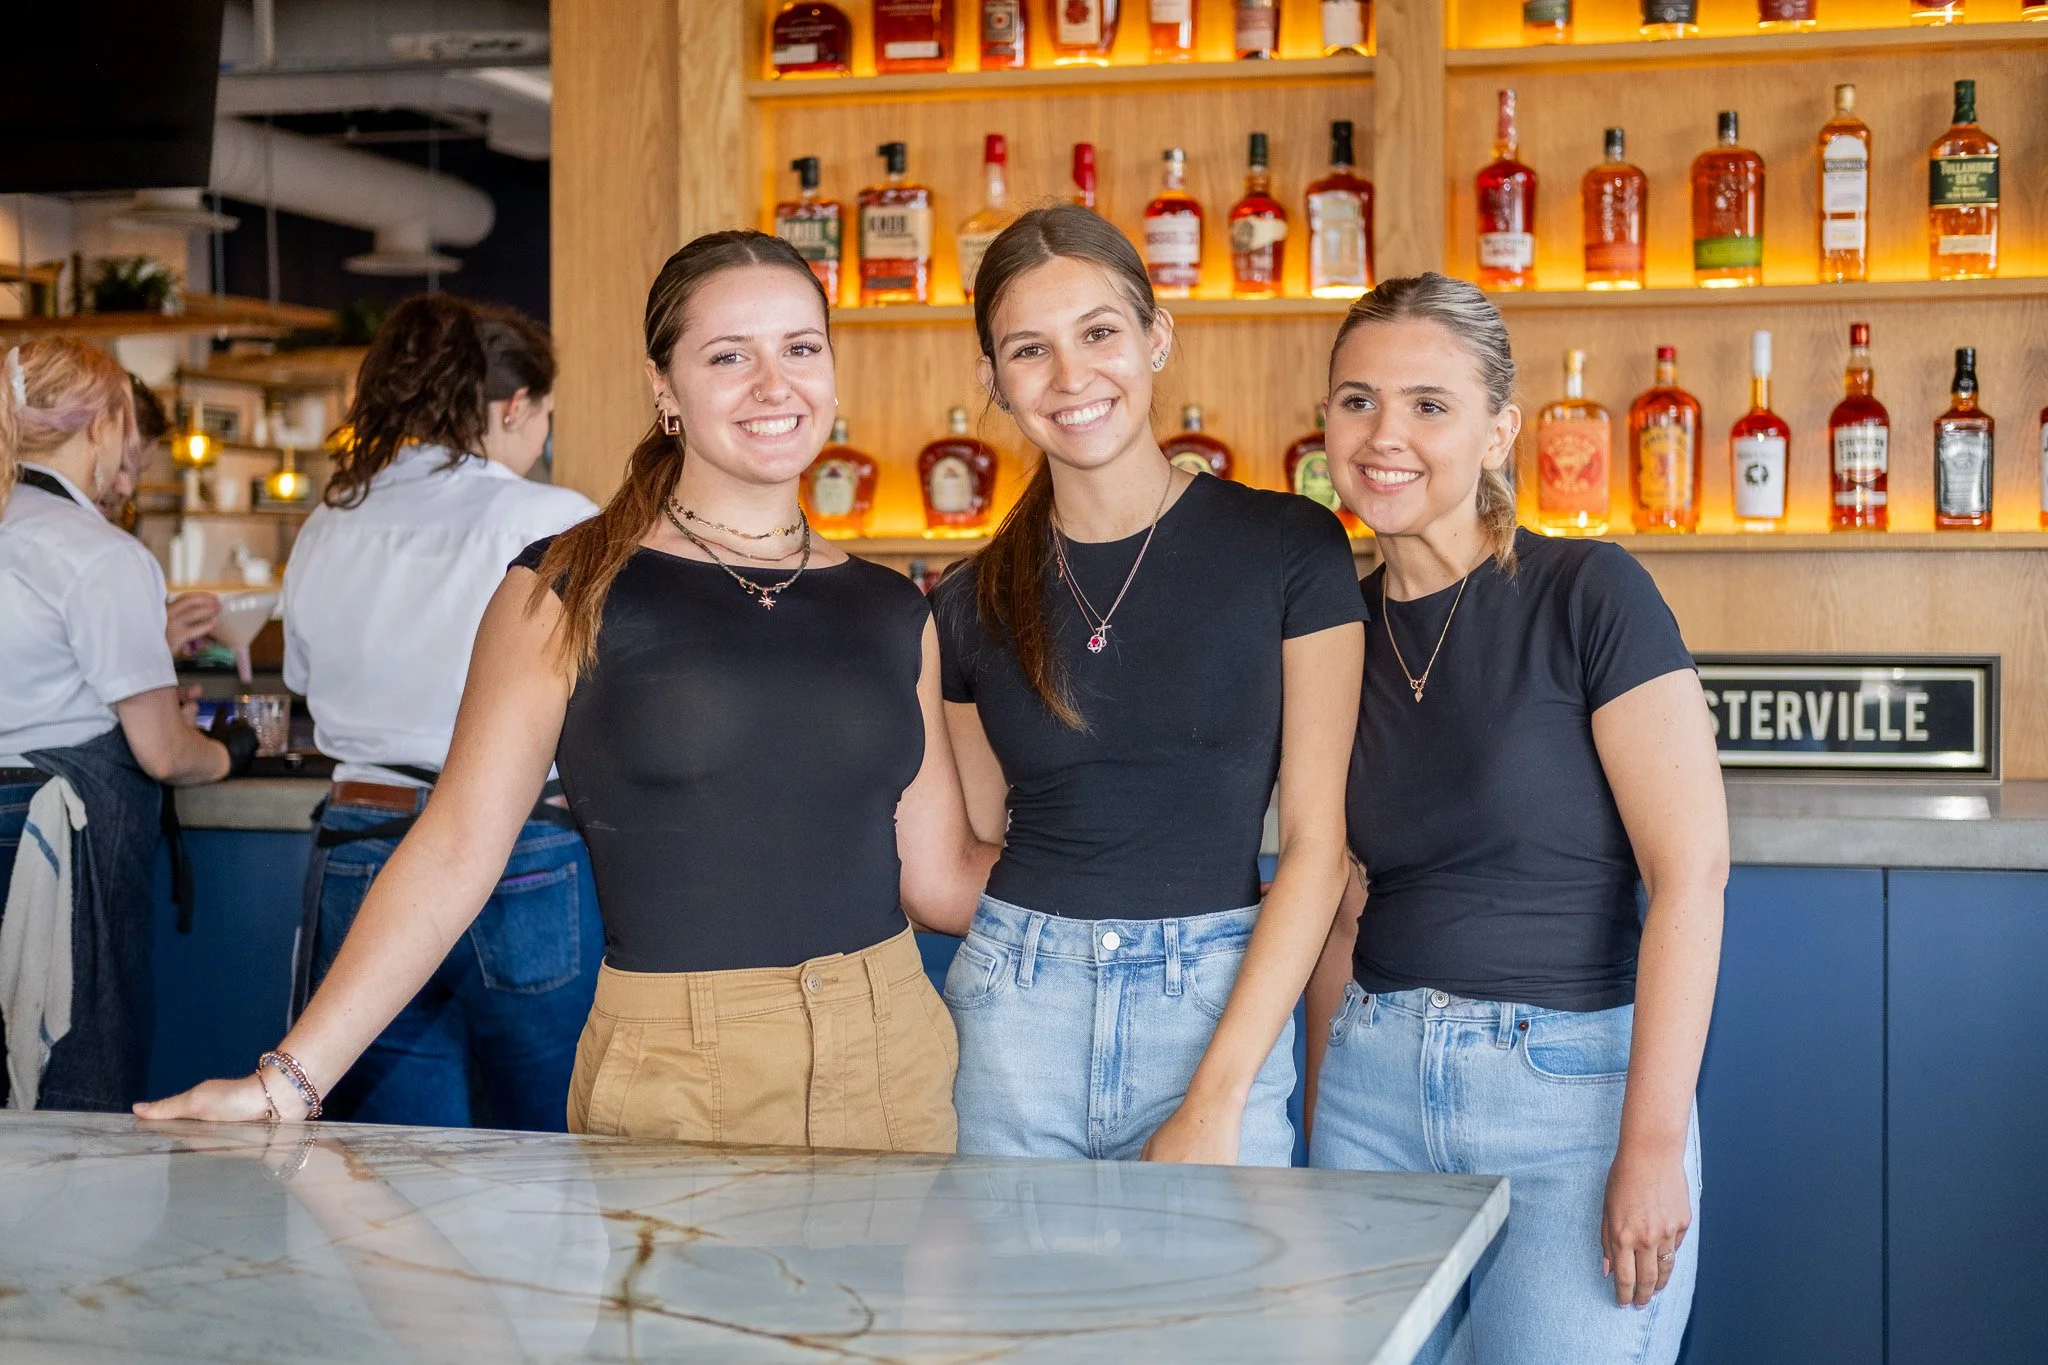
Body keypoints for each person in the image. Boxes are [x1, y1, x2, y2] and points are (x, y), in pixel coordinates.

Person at [139, 230, 995, 1151]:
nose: (773, 383)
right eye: (727, 356)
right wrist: (286, 1084)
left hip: (894, 1052)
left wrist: (1143, 864)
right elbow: (459, 846)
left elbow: (941, 877)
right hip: (680, 1069)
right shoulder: (567, 585)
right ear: (663, 388)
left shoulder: (893, 609)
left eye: (799, 347)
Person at [1303, 274, 1726, 1364]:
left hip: (1568, 1107)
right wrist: (1313, 1122)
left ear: (1498, 431)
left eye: (1427, 404)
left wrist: (1650, 1148)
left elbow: (1690, 874)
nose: (1383, 434)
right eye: (1355, 401)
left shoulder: (1588, 592)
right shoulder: (1330, 631)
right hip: (1371, 1093)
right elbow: (1337, 898)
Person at [931, 205, 1365, 1166]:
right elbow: (978, 848)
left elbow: (1316, 848)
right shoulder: (967, 599)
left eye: (1099, 333)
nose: (1072, 377)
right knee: (1017, 1324)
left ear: (1156, 338)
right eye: (1029, 350)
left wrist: (1218, 1096)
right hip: (1014, 1018)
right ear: (992, 381)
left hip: (1216, 1007)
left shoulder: (1290, 548)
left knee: (1214, 1318)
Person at [279, 296, 601, 1131]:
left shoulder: (327, 523)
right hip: (518, 845)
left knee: (395, 1158)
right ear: (513, 407)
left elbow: (305, 685)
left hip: (365, 842)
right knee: (551, 1148)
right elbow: (606, 692)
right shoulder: (550, 516)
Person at [0, 338, 254, 1112]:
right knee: (75, 1085)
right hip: (61, 850)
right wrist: (228, 751)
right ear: (106, 421)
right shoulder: (98, 553)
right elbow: (162, 751)